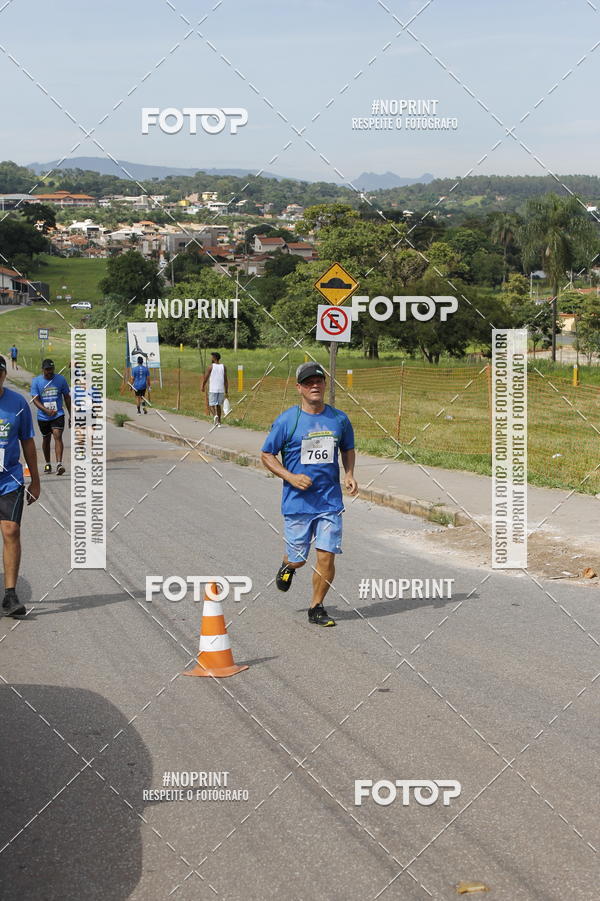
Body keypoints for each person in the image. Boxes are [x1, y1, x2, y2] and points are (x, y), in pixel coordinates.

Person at [260, 362, 358, 627]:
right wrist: (290, 477)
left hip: (329, 502)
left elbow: (347, 448)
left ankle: (316, 607)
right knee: (299, 559)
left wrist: (349, 474)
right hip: (298, 503)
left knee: (326, 556)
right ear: (299, 388)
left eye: (318, 381)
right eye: (308, 382)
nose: (314, 385)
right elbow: (266, 454)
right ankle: (288, 566)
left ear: (325, 385)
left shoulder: (339, 419)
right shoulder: (287, 421)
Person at [0, 355, 40, 616]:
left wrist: (35, 480)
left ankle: (10, 595)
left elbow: (27, 441)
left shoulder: (17, 403)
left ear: (4, 375)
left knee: (11, 531)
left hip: (9, 479)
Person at [30, 359, 71, 476]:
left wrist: (71, 414)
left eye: (51, 369)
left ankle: (59, 464)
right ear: (42, 370)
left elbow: (67, 397)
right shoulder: (36, 381)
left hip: (58, 414)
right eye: (47, 369)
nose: (50, 372)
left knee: (57, 435)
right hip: (43, 416)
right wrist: (45, 410)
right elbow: (35, 400)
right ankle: (48, 463)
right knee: (46, 439)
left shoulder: (60, 379)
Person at [201, 351, 228, 427]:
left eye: (212, 357)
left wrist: (203, 386)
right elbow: (226, 380)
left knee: (211, 405)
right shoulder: (223, 367)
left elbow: (206, 378)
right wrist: (226, 391)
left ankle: (215, 416)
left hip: (213, 389)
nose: (211, 358)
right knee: (218, 405)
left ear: (215, 358)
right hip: (221, 389)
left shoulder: (211, 367)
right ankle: (219, 422)